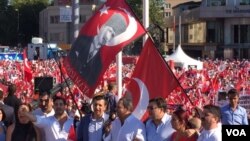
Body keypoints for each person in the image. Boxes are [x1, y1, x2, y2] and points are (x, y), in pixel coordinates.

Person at [69, 13, 127, 86]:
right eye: (109, 30)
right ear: (103, 26)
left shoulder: (99, 65)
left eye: (112, 35)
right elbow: (70, 58)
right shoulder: (81, 40)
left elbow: (90, 83)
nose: (108, 37)